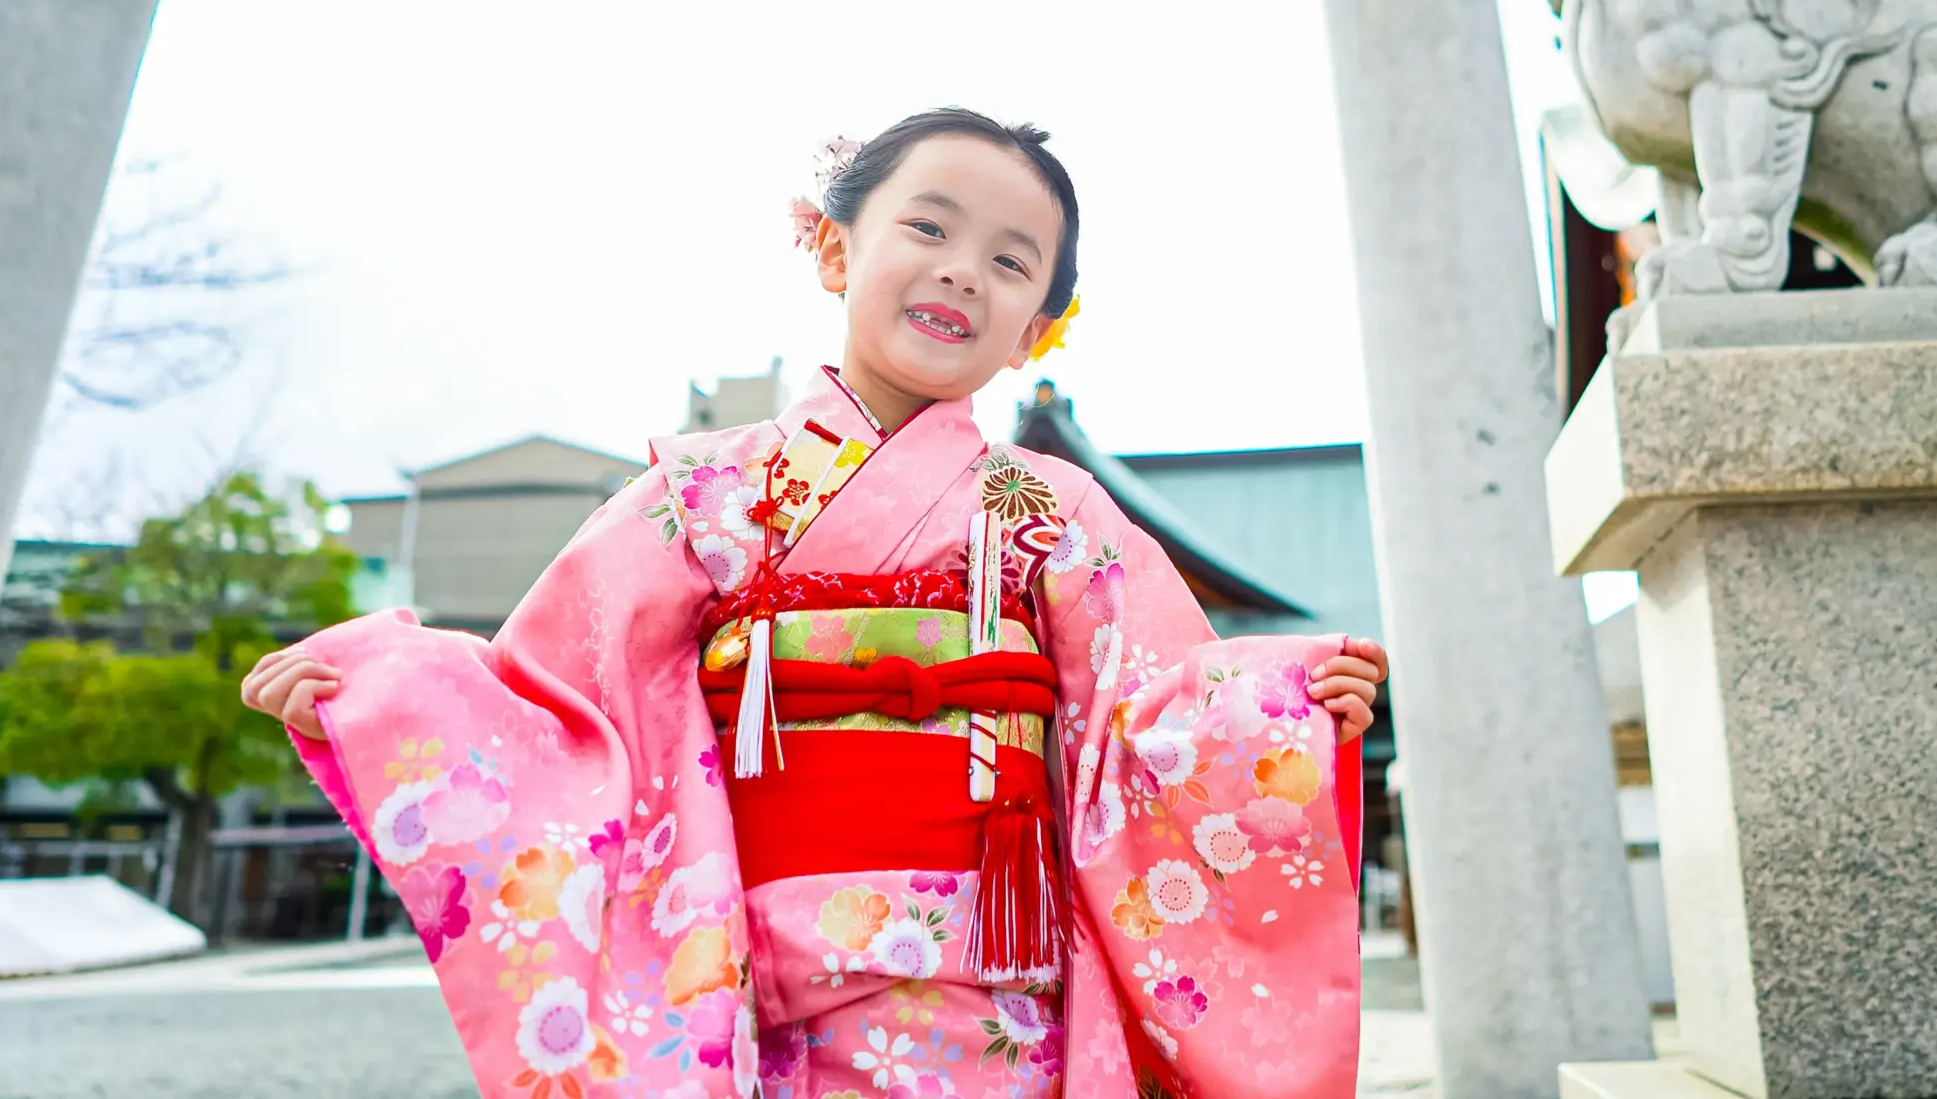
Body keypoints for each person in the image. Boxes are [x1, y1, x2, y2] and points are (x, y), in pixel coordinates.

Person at [242, 108, 1388, 1099]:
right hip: (752, 967)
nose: (958, 271)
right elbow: (556, 697)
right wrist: (388, 694)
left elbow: (1152, 714)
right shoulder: (703, 494)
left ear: (1038, 324)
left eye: (1008, 260)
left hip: (994, 987)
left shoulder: (1054, 508)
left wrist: (1272, 704)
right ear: (836, 250)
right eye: (927, 228)